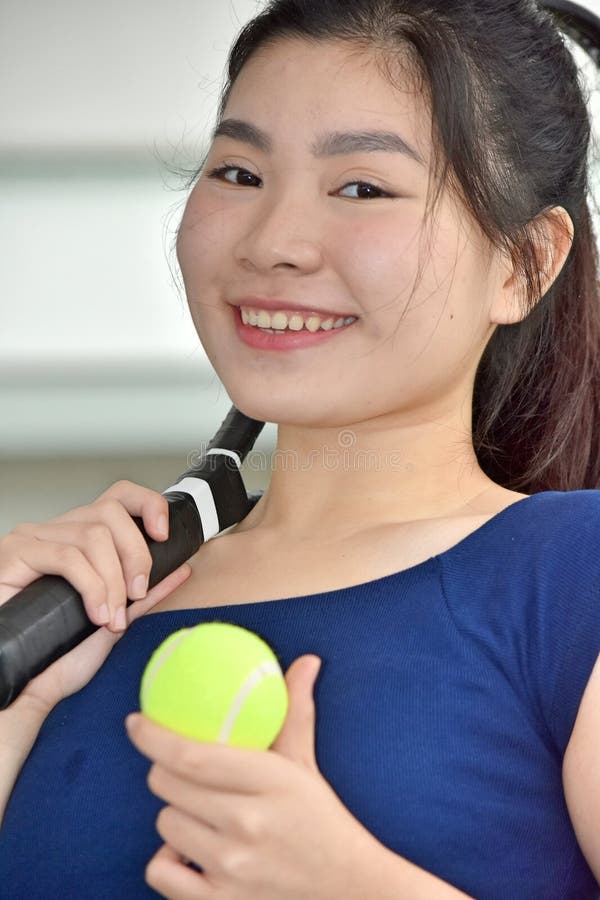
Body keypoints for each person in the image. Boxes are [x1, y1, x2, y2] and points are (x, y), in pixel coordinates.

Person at [1, 0, 600, 896]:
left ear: (522, 264)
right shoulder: (66, 618)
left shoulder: (573, 575)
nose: (273, 242)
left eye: (362, 188)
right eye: (239, 172)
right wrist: (18, 704)